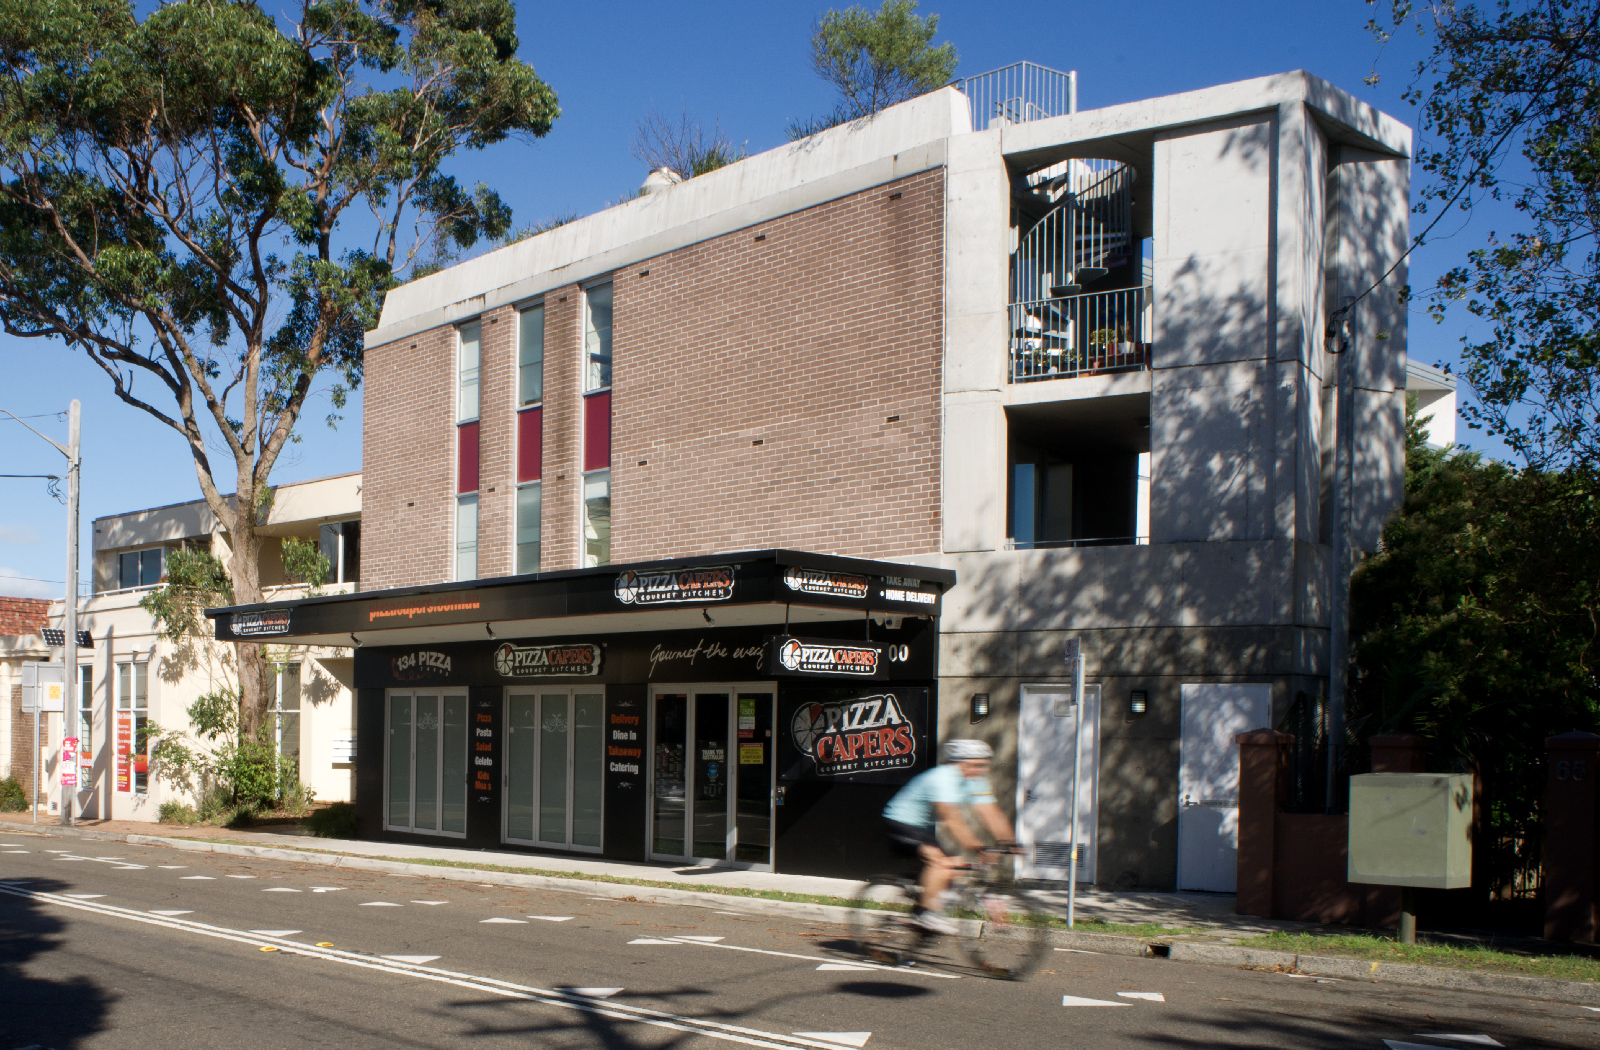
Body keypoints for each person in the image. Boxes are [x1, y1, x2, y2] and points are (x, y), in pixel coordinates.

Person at [881, 738, 1017, 934]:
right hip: (899, 821)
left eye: (985, 765)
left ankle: (926, 910)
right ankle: (926, 915)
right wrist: (980, 847)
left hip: (922, 828)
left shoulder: (975, 779)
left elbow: (991, 813)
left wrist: (1011, 843)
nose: (982, 770)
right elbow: (952, 819)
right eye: (978, 765)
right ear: (962, 762)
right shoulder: (943, 778)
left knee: (955, 864)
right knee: (941, 864)